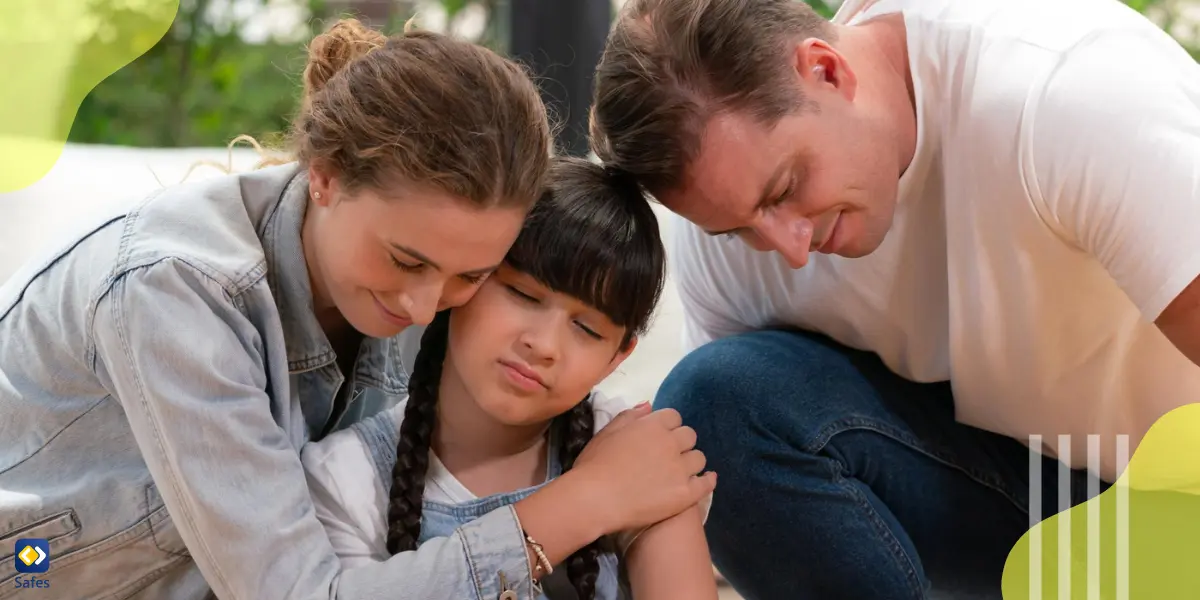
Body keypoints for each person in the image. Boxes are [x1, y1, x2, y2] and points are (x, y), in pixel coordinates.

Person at [0, 18, 713, 600]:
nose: (424, 304)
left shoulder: (412, 296)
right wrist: (583, 504)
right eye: (407, 261)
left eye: (473, 274)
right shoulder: (175, 290)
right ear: (325, 176)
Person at [588, 0, 1200, 598]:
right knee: (717, 406)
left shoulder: (1061, 92)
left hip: (1184, 500)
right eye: (740, 227)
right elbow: (738, 485)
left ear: (827, 69)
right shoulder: (732, 241)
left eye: (785, 188)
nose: (789, 248)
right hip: (1037, 494)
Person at [301, 157, 718, 600]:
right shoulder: (346, 479)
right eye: (522, 294)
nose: (543, 344)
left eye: (588, 329)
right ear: (463, 279)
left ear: (617, 357)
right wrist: (590, 498)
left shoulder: (635, 449)